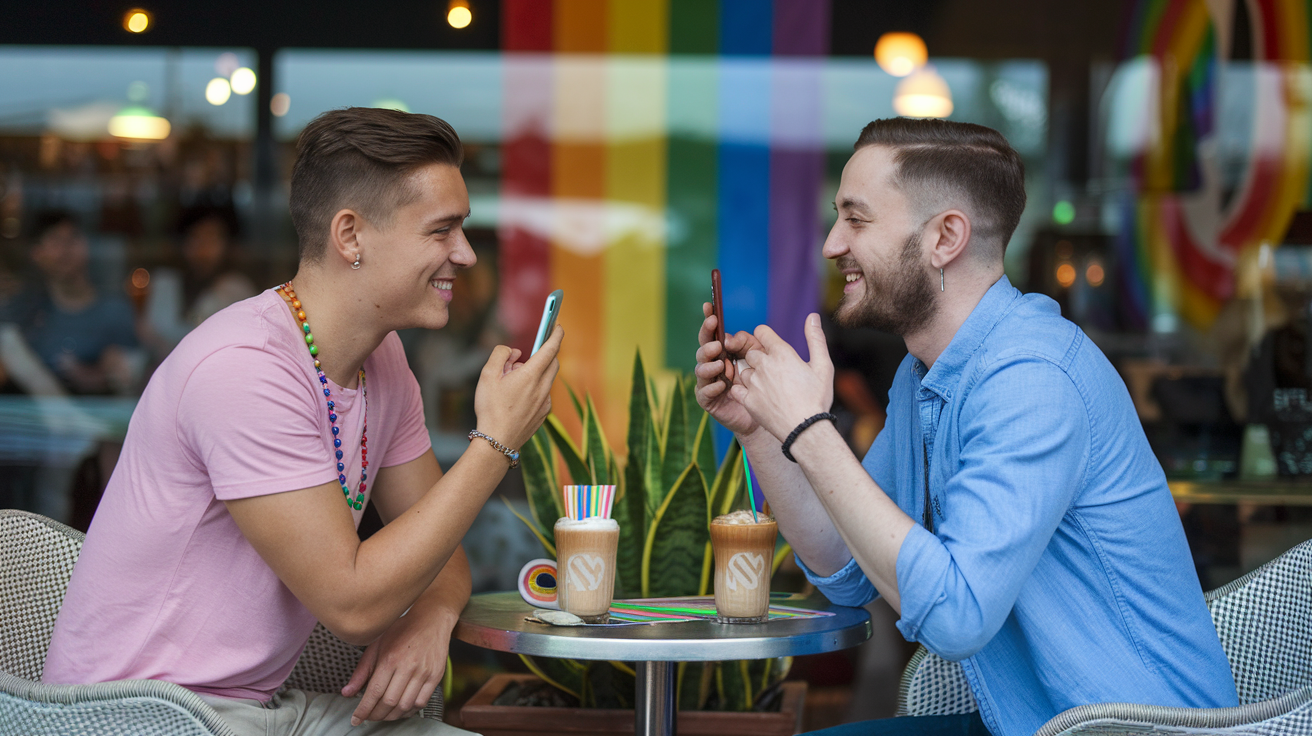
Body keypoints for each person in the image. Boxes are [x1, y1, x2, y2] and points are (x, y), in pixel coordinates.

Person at [695, 118, 1238, 736]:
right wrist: (763, 431)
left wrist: (810, 429)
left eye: (857, 218)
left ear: (945, 236)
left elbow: (955, 618)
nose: (831, 243)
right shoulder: (926, 375)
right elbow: (847, 568)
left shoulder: (1031, 379)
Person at [44, 107, 562, 736]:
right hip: (143, 716)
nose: (467, 254)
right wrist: (495, 442)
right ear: (351, 236)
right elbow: (353, 602)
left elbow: (440, 548)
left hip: (254, 708)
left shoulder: (383, 358)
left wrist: (430, 619)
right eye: (441, 230)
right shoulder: (244, 370)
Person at [1, 211, 141, 395]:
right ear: (37, 253)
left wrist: (106, 377)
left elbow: (134, 376)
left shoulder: (116, 310)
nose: (65, 249)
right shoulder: (24, 312)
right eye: (55, 241)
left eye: (73, 238)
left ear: (87, 246)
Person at [143, 204, 257, 355]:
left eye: (211, 238)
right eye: (195, 237)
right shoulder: (165, 282)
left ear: (228, 245)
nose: (203, 248)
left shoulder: (236, 290)